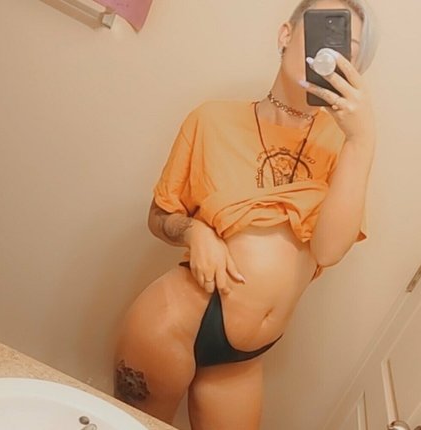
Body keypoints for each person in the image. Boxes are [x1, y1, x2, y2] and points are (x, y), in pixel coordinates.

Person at [113, 0, 380, 429]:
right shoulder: (211, 119)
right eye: (320, 30)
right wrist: (195, 231)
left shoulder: (344, 145)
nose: (326, 52)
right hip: (172, 321)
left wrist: (362, 142)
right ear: (285, 35)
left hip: (242, 359)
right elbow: (159, 215)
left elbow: (328, 251)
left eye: (344, 47)